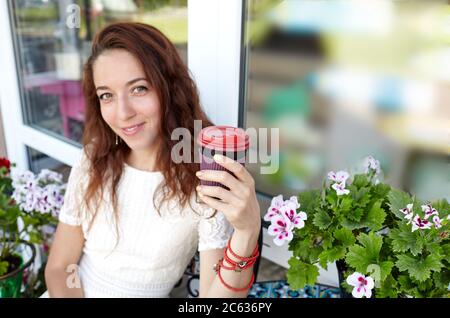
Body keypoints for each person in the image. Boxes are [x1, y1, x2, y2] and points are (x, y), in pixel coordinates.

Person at [44, 22, 261, 298]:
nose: (123, 113)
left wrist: (247, 232)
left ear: (169, 88)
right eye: (107, 95)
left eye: (139, 89)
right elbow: (60, 267)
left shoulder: (206, 180)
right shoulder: (94, 158)